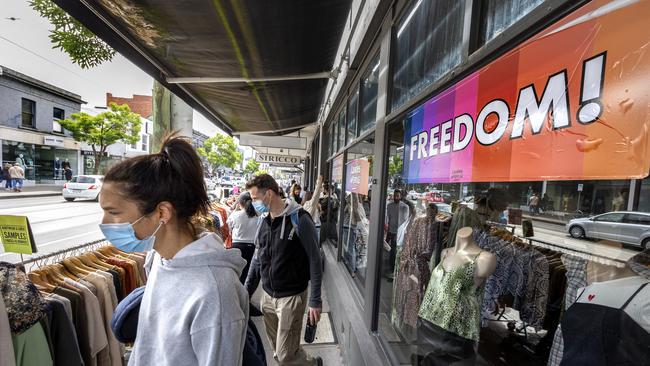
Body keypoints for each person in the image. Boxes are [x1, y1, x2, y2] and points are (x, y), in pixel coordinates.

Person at [98, 134, 249, 366]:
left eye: (114, 212)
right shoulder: (158, 258)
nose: (105, 222)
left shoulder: (215, 293)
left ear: (162, 213)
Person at [245, 174, 323, 366]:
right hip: (268, 297)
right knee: (279, 350)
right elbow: (257, 259)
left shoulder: (300, 219)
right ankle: (306, 362)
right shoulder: (263, 221)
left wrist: (315, 299)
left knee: (285, 355)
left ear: (269, 194)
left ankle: (310, 364)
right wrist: (245, 292)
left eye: (255, 198)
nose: (252, 203)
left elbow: (315, 260)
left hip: (291, 297)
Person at [227, 192, 260, 284]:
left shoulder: (235, 215)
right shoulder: (258, 214)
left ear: (240, 203)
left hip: (237, 245)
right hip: (252, 246)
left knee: (237, 271)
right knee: (248, 273)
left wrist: (235, 210)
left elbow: (229, 227)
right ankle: (245, 293)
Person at [385, 189, 410, 280]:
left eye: (398, 196)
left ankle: (394, 271)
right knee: (388, 249)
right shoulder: (389, 206)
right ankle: (391, 268)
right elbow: (387, 218)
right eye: (395, 195)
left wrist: (400, 233)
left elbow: (405, 221)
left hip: (399, 233)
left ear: (400, 196)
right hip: (390, 230)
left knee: (394, 251)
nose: (396, 197)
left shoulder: (405, 207)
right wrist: (387, 228)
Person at [302, 176, 324, 243]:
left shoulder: (305, 204)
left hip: (311, 226)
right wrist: (319, 182)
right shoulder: (310, 204)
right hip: (315, 226)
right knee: (315, 244)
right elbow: (316, 195)